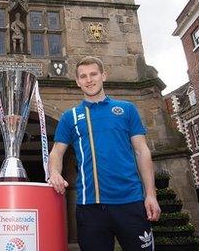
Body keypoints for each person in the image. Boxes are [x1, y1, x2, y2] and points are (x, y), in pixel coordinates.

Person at [48, 56, 161, 251]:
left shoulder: (126, 109)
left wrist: (150, 194)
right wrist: (55, 173)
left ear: (104, 76)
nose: (89, 80)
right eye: (83, 76)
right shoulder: (70, 117)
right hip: (90, 206)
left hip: (131, 201)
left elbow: (142, 151)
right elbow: (57, 153)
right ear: (77, 81)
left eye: (93, 74)